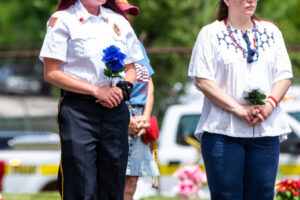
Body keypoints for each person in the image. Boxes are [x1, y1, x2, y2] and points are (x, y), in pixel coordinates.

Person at [188, 0, 293, 200]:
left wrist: (269, 105)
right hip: (222, 132)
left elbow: (284, 76)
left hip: (265, 130)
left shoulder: (271, 31)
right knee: (227, 196)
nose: (250, 0)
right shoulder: (210, 34)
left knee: (262, 195)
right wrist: (239, 110)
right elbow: (203, 80)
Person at [39, 0, 144, 199]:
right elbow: (51, 73)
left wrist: (123, 89)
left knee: (113, 183)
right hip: (79, 110)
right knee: (81, 183)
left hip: (115, 108)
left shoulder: (118, 21)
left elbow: (131, 68)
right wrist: (96, 90)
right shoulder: (62, 20)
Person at [115, 1, 160, 200]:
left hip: (139, 120)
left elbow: (149, 84)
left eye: (128, 14)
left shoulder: (136, 44)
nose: (126, 18)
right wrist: (124, 122)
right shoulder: (108, 43)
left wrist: (145, 118)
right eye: (121, 13)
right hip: (117, 116)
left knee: (131, 182)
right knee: (114, 181)